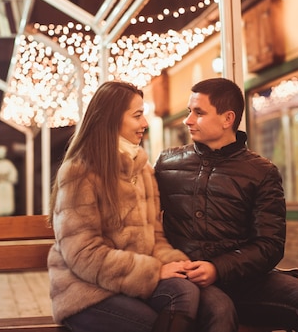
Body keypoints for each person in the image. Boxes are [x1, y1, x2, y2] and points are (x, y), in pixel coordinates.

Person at [155, 77, 298, 332]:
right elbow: (146, 224)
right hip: (188, 278)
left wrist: (218, 268)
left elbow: (270, 244)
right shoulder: (167, 164)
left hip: (246, 280)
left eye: (199, 112)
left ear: (227, 119)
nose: (188, 120)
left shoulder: (262, 171)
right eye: (189, 112)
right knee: (220, 311)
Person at [47, 80, 200, 332]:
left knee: (186, 291)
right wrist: (152, 272)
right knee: (151, 323)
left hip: (129, 285)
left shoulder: (143, 171)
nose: (145, 124)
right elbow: (83, 253)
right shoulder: (79, 172)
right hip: (86, 292)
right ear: (111, 119)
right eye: (137, 115)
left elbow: (156, 238)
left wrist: (177, 264)